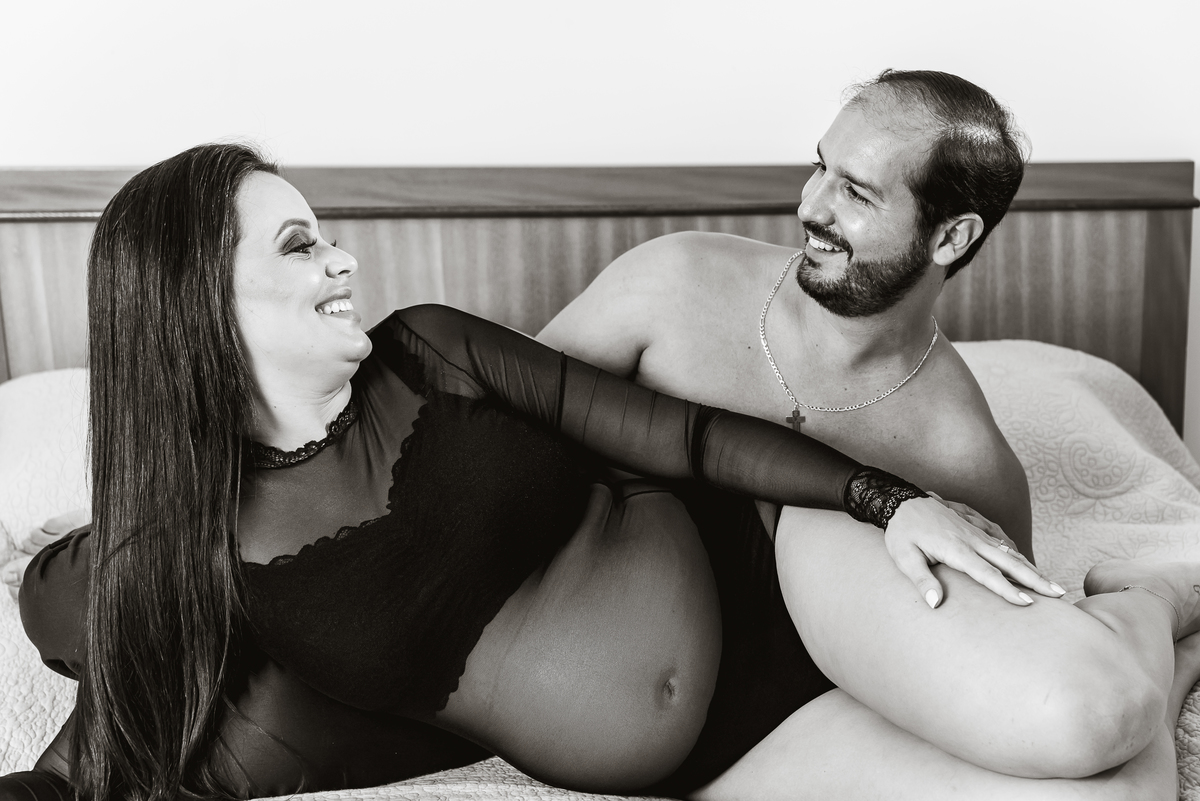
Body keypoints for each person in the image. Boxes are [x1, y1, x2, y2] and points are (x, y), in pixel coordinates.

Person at [1, 142, 1050, 801]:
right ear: (198, 303)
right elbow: (103, 738)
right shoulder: (203, 547)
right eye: (297, 246)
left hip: (774, 571)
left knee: (1078, 725)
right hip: (723, 757)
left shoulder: (429, 350)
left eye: (324, 237)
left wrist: (886, 498)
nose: (343, 260)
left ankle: (1131, 604)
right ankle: (1137, 617)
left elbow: (683, 436)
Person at [537, 69, 1200, 798]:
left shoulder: (961, 455)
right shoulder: (671, 285)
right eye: (820, 166)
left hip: (789, 706)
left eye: (855, 192)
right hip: (624, 681)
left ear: (950, 236)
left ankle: (1145, 603)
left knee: (1107, 779)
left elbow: (1015, 669)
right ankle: (1166, 635)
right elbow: (500, 416)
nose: (810, 206)